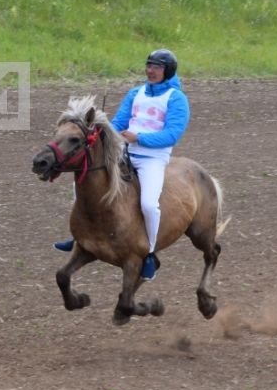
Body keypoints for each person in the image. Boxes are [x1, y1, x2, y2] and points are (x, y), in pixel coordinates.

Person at [54, 49, 190, 282]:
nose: (150, 70)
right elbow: (118, 122)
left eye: (156, 67)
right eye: (149, 65)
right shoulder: (135, 93)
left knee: (148, 204)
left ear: (167, 71)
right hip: (124, 152)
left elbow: (172, 134)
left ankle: (148, 252)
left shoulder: (176, 99)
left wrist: (139, 138)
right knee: (83, 183)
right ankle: (80, 235)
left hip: (152, 159)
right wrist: (103, 134)